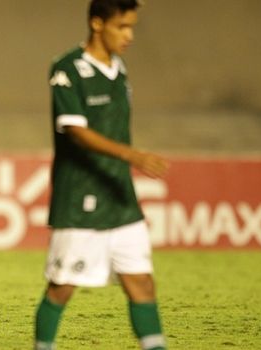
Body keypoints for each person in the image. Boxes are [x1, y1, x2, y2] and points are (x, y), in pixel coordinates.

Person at [34, 1, 169, 349]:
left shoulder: (118, 68)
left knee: (141, 283)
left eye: (132, 27)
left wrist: (127, 161)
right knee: (62, 288)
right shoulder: (67, 69)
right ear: (97, 23)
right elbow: (75, 131)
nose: (130, 35)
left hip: (121, 196)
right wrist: (132, 154)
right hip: (80, 197)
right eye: (122, 27)